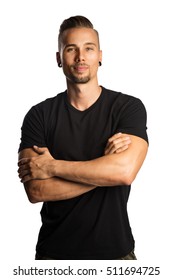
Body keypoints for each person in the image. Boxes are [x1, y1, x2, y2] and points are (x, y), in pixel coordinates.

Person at [18, 15, 148, 260]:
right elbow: (36, 190)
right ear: (59, 58)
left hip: (116, 255)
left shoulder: (127, 108)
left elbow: (124, 173)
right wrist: (104, 169)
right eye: (71, 49)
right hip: (54, 257)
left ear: (100, 55)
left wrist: (52, 166)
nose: (80, 57)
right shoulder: (39, 115)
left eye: (88, 48)